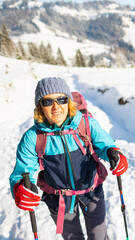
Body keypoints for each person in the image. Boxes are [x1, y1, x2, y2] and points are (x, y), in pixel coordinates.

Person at [9, 77, 128, 240]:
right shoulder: (32, 137)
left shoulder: (85, 123)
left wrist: (114, 154)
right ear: (40, 107)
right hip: (58, 199)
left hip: (92, 191)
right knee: (72, 238)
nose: (56, 106)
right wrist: (20, 187)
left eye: (61, 99)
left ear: (69, 102)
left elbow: (106, 145)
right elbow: (22, 173)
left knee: (99, 236)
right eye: (47, 102)